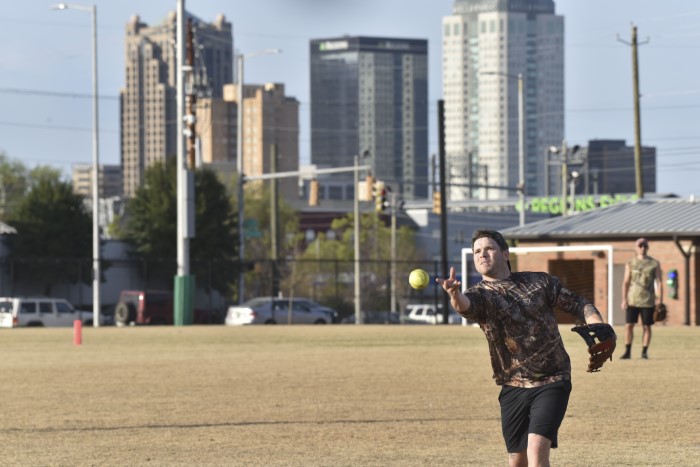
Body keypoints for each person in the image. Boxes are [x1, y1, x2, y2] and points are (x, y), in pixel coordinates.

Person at [437, 229, 608, 467]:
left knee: (537, 454)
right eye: (477, 251)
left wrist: (598, 326)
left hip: (552, 379)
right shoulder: (479, 296)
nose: (482, 254)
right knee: (517, 461)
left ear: (505, 253)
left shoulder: (539, 282)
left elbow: (579, 304)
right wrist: (454, 294)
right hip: (512, 385)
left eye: (489, 248)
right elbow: (465, 307)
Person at [620, 237, 663, 360]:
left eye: (645, 245)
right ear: (636, 247)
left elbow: (659, 282)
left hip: (648, 300)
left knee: (647, 326)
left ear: (648, 247)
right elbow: (626, 282)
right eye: (640, 245)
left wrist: (660, 301)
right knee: (629, 325)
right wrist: (624, 299)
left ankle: (644, 352)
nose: (643, 247)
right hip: (632, 299)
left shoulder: (654, 263)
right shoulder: (630, 263)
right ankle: (627, 352)